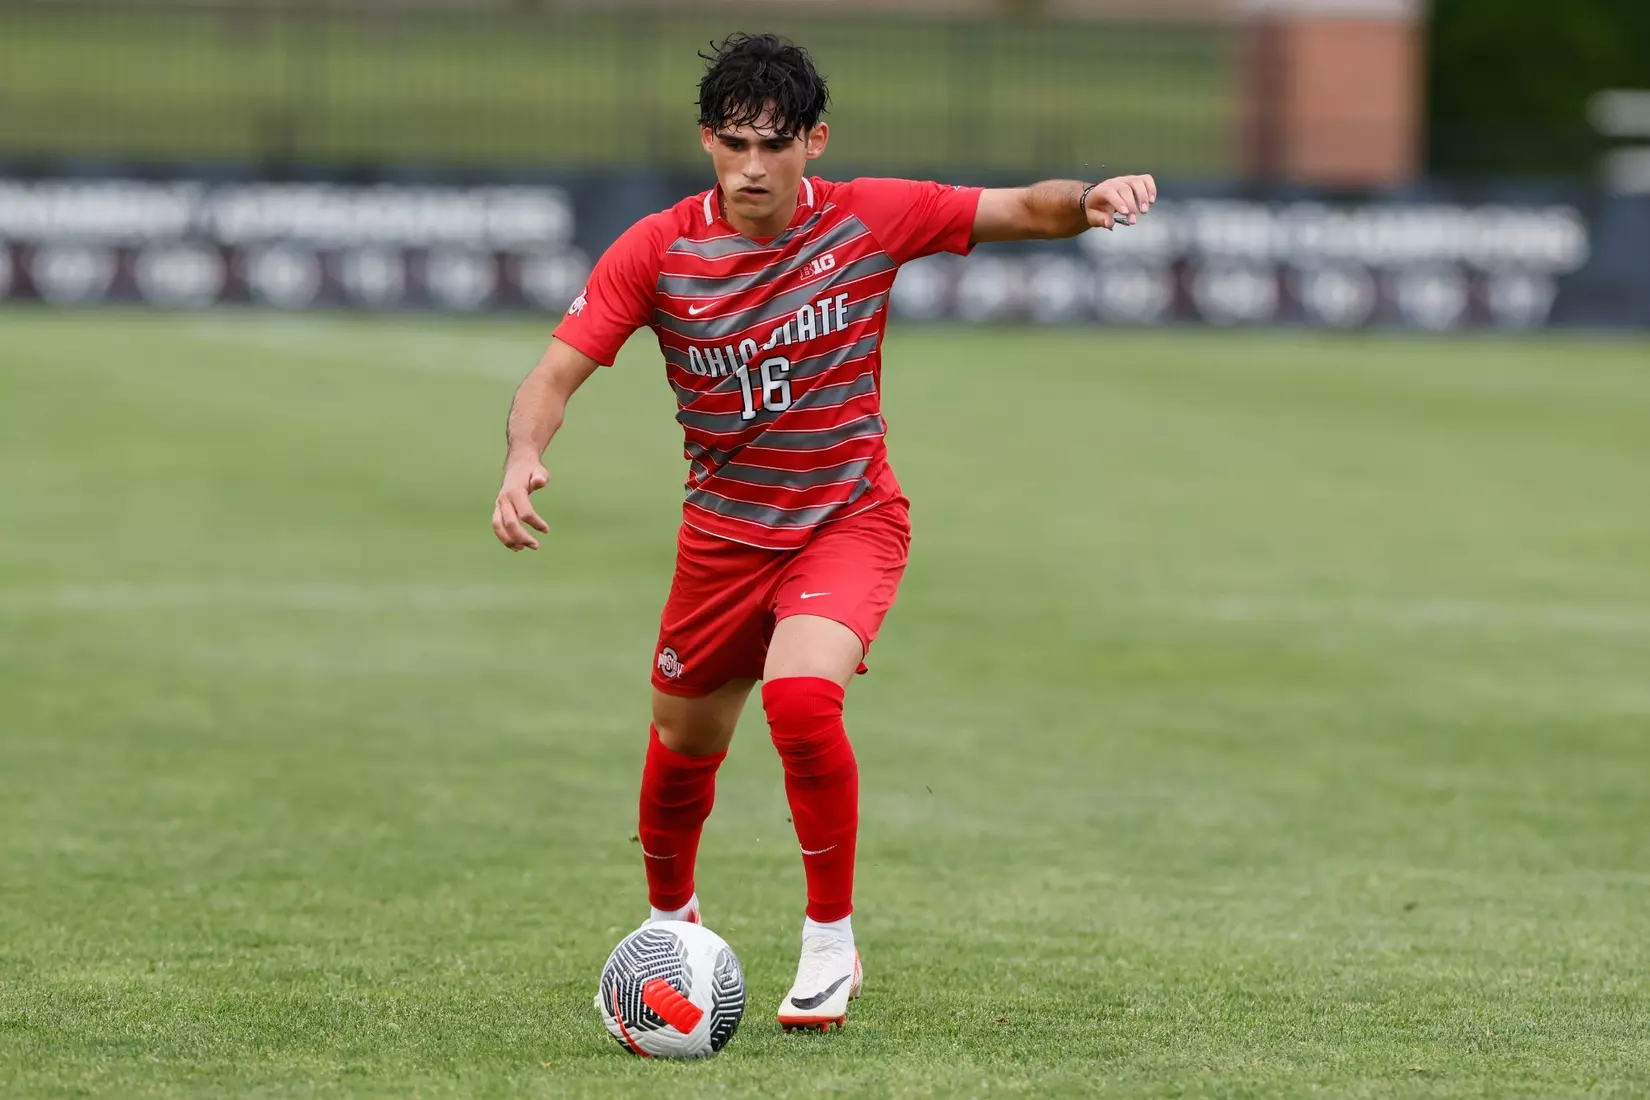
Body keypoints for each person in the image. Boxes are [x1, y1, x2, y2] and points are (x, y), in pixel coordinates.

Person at [492, 31, 1155, 1033]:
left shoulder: (870, 218)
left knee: (802, 702)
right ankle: (670, 926)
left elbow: (1015, 207)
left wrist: (1089, 199)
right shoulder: (657, 249)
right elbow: (553, 373)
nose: (752, 165)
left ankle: (831, 944)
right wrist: (520, 456)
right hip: (722, 538)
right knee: (682, 742)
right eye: (733, 143)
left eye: (774, 143)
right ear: (707, 140)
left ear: (814, 143)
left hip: (846, 518)